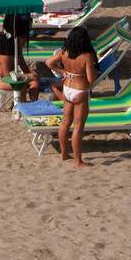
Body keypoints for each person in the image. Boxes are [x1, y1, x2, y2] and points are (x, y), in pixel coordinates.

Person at [44, 25, 98, 167]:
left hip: (67, 88)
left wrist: (62, 71)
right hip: (80, 91)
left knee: (65, 122)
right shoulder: (86, 56)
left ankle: (63, 154)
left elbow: (48, 63)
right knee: (78, 127)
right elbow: (91, 79)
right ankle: (78, 161)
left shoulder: (64, 52)